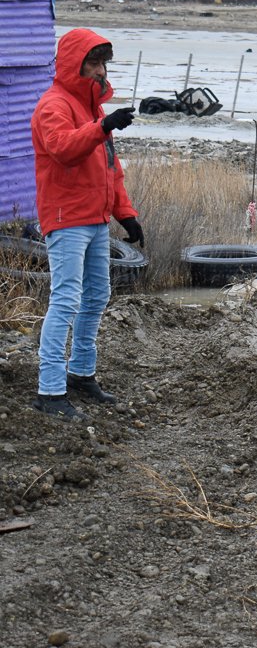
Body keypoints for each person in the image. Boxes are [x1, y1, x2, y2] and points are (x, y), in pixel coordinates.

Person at [30, 28, 144, 421]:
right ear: (73, 64)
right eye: (93, 63)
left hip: (95, 218)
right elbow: (63, 150)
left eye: (103, 63)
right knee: (66, 299)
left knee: (96, 296)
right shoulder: (53, 105)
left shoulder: (95, 110)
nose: (99, 71)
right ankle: (50, 390)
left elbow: (110, 169)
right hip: (65, 218)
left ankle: (81, 373)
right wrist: (102, 127)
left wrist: (125, 214)